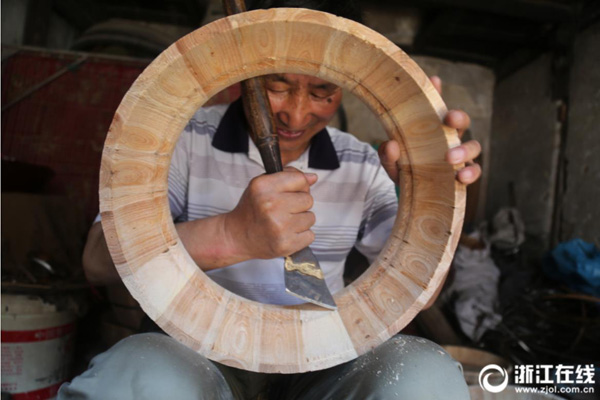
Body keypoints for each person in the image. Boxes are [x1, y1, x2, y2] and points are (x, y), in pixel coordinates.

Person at [59, 2, 482, 399]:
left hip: (325, 356)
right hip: (195, 349)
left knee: (423, 375)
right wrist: (229, 235)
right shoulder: (181, 140)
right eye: (276, 85)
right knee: (139, 376)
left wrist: (432, 195)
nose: (296, 115)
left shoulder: (364, 163)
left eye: (322, 92)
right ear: (246, 71)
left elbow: (418, 289)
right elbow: (97, 261)